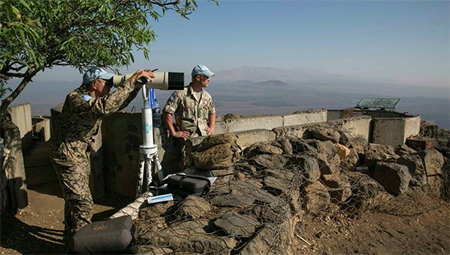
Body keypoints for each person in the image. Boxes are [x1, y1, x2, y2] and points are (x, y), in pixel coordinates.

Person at [50, 67, 155, 243]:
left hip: (78, 154)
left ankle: (71, 240)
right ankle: (82, 245)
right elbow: (105, 107)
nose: (109, 87)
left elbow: (116, 104)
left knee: (74, 202)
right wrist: (130, 81)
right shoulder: (77, 99)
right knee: (82, 203)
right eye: (106, 82)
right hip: (67, 155)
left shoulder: (92, 97)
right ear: (94, 83)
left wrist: (135, 86)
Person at [162, 64, 216, 171]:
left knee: (203, 167)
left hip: (203, 138)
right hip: (187, 140)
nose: (209, 80)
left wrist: (212, 127)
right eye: (206, 77)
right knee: (186, 167)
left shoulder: (207, 96)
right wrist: (173, 133)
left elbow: (212, 111)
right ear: (198, 77)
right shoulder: (181, 94)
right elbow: (167, 112)